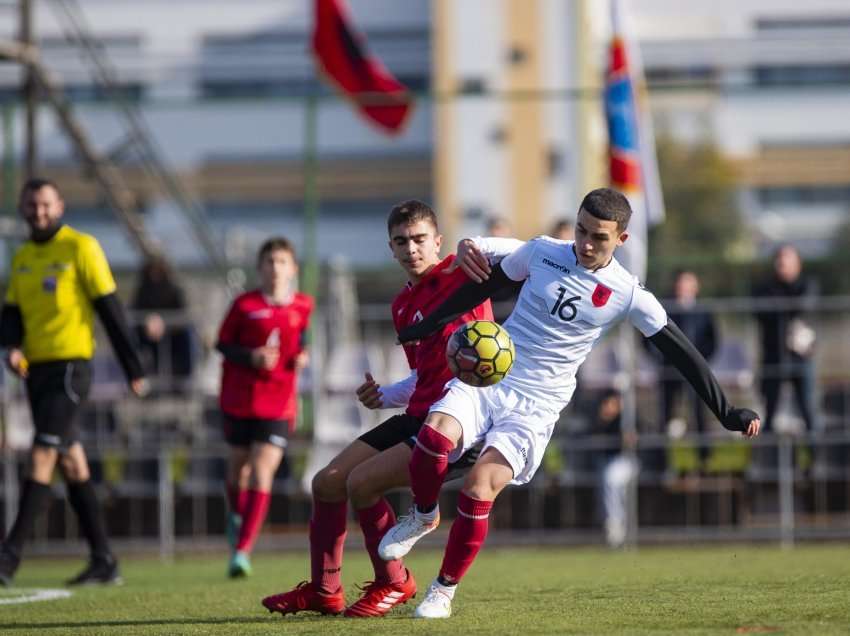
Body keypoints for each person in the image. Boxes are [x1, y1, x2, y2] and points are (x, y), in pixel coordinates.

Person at [380, 187, 761, 619]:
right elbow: (490, 284)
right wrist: (429, 324)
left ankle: (443, 591)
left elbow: (682, 352)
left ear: (622, 240)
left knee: (478, 486)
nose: (584, 242)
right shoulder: (544, 251)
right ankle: (424, 515)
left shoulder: (629, 294)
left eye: (599, 236)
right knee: (433, 437)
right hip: (494, 379)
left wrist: (727, 412)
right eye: (581, 229)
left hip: (537, 405)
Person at [259, 200, 511, 618]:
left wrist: (478, 242)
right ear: (391, 248)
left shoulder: (462, 273)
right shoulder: (401, 306)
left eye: (419, 239)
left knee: (361, 484)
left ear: (438, 242)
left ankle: (394, 581)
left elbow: (521, 256)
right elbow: (422, 376)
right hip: (417, 413)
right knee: (327, 482)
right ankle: (325, 590)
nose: (411, 249)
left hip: (455, 422)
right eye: (401, 241)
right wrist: (386, 395)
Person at [0, 177, 146, 587]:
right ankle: (104, 560)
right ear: (23, 208)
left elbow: (110, 308)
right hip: (35, 372)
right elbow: (11, 312)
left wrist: (133, 367)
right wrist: (10, 346)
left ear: (60, 206)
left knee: (43, 453)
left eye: (46, 204)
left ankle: (8, 556)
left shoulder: (81, 247)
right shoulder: (23, 255)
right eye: (31, 205)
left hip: (71, 369)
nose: (39, 212)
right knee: (70, 461)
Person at [216, 237, 313, 578]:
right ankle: (236, 517)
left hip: (279, 403)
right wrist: (251, 357)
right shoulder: (244, 305)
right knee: (237, 470)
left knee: (262, 470)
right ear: (259, 268)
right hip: (239, 399)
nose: (275, 268)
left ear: (293, 268)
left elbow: (302, 338)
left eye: (282, 262)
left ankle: (242, 551)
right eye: (269, 262)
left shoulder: (303, 305)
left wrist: (303, 356)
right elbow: (222, 344)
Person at [753, 244, 818, 436]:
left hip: (801, 357)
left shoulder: (807, 284)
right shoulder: (765, 287)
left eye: (787, 259)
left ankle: (815, 461)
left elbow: (805, 306)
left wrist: (781, 308)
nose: (782, 263)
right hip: (774, 356)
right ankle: (770, 461)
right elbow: (762, 312)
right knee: (770, 412)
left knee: (808, 412)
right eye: (779, 259)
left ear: (798, 263)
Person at [659, 269, 717, 469]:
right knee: (665, 415)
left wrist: (700, 361)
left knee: (700, 414)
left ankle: (704, 459)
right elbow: (647, 339)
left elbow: (712, 341)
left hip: (695, 371)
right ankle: (663, 461)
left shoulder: (703, 311)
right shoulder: (664, 310)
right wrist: (661, 359)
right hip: (670, 370)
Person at [131, 255, 194, 394]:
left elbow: (182, 315)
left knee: (186, 340)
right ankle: (140, 379)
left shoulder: (173, 290)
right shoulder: (143, 291)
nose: (155, 275)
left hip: (173, 338)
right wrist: (146, 326)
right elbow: (135, 313)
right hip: (147, 337)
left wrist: (165, 327)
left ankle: (180, 385)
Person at [584, 389, 638, 548]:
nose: (608, 407)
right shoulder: (597, 420)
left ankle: (615, 523)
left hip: (627, 461)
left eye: (612, 403)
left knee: (611, 478)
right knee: (607, 480)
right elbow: (590, 441)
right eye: (606, 404)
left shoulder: (627, 419)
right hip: (604, 462)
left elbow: (633, 441)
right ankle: (612, 524)